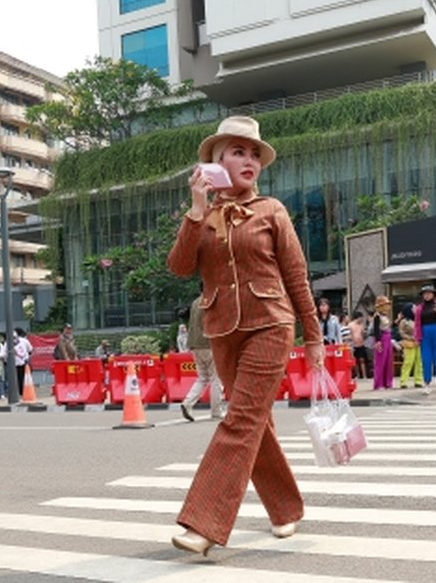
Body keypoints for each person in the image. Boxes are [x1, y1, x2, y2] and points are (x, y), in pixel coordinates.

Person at [166, 116, 322, 555]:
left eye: (254, 153)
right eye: (238, 152)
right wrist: (196, 212)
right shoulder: (202, 216)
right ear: (215, 164)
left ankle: (202, 523)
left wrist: (313, 338)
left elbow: (296, 275)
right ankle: (286, 508)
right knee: (255, 423)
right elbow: (179, 267)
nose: (249, 159)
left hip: (272, 323)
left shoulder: (272, 211)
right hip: (222, 330)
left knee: (238, 421)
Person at [181, 298, 226, 422]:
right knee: (216, 378)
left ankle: (188, 403)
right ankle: (216, 412)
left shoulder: (195, 302)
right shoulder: (212, 300)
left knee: (202, 378)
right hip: (209, 343)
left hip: (194, 345)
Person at [369, 296, 395, 390]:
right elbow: (376, 329)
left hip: (388, 337)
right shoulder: (377, 316)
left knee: (388, 360)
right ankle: (379, 383)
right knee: (380, 361)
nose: (387, 307)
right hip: (381, 338)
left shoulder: (385, 316)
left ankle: (388, 382)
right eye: (385, 305)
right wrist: (378, 341)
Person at [396, 303, 423, 388]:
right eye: (413, 308)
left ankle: (418, 381)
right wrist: (411, 338)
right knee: (408, 362)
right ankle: (403, 382)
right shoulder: (404, 321)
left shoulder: (419, 319)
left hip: (418, 343)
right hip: (409, 343)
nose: (415, 309)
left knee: (419, 362)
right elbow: (401, 332)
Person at [11, 327, 33, 397]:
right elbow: (30, 350)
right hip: (24, 362)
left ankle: (20, 392)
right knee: (25, 378)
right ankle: (24, 392)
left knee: (17, 378)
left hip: (16, 363)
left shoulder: (10, 341)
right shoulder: (25, 341)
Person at [348, 311, 369, 380]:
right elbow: (349, 335)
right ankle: (358, 375)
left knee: (362, 359)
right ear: (357, 318)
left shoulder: (362, 325)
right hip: (354, 345)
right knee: (355, 360)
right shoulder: (350, 325)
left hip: (361, 343)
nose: (362, 320)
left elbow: (364, 334)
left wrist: (364, 333)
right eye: (361, 318)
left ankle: (364, 375)